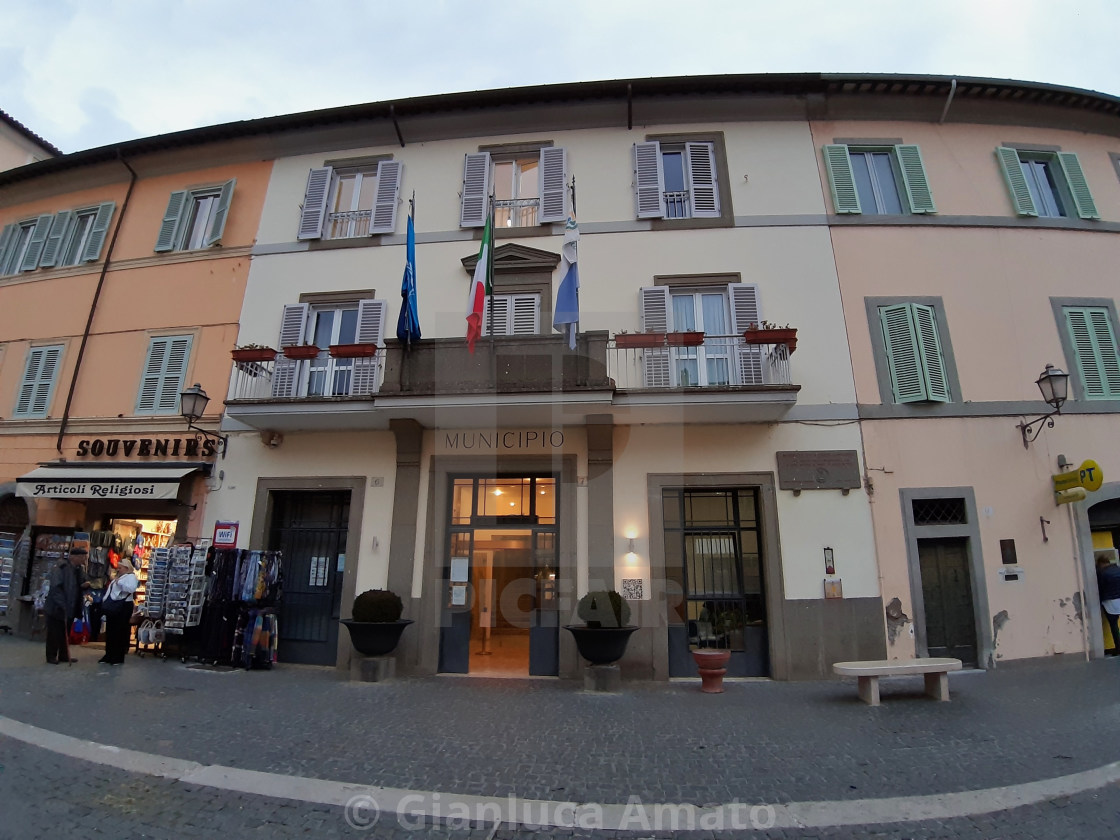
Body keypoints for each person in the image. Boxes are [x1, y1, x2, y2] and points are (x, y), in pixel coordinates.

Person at [44, 548, 85, 664]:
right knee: (54, 632)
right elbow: (56, 588)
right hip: (57, 607)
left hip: (71, 606)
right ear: (74, 557)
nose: (84, 560)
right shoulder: (61, 568)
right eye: (82, 557)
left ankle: (64, 655)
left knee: (64, 632)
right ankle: (51, 656)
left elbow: (77, 585)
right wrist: (62, 604)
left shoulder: (79, 569)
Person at [100, 559, 138, 665]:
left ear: (126, 568)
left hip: (124, 605)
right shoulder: (119, 577)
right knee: (111, 631)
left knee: (120, 632)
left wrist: (119, 583)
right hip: (114, 606)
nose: (118, 569)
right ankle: (109, 654)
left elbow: (131, 589)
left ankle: (118, 657)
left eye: (120, 568)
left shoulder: (131, 577)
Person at [1096, 556, 1120, 656]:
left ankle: (1118, 648)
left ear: (1100, 564)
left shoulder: (1102, 573)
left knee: (1114, 626)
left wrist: (1099, 602)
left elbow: (1100, 589)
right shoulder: (1118, 569)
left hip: (1109, 602)